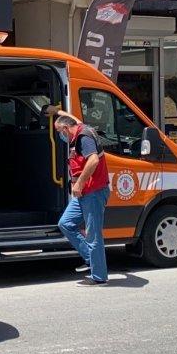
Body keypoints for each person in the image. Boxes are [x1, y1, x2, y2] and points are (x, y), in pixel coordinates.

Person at [54, 110, 111, 287]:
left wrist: (79, 184)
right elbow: (72, 119)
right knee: (66, 223)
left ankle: (99, 277)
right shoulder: (78, 129)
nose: (59, 135)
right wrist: (55, 111)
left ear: (65, 129)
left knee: (93, 234)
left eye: (59, 131)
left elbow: (93, 160)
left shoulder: (83, 137)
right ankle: (92, 260)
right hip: (85, 193)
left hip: (93, 191)